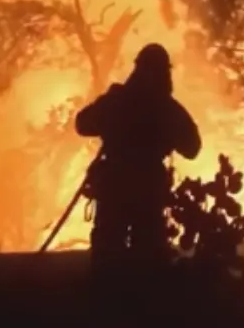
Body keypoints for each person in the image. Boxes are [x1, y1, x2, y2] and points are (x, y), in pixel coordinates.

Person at [74, 43, 202, 279]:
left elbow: (83, 123)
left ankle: (105, 295)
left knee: (108, 253)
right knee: (147, 255)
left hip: (116, 184)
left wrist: (110, 116)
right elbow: (192, 147)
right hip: (148, 189)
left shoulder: (117, 101)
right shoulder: (167, 109)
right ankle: (140, 297)